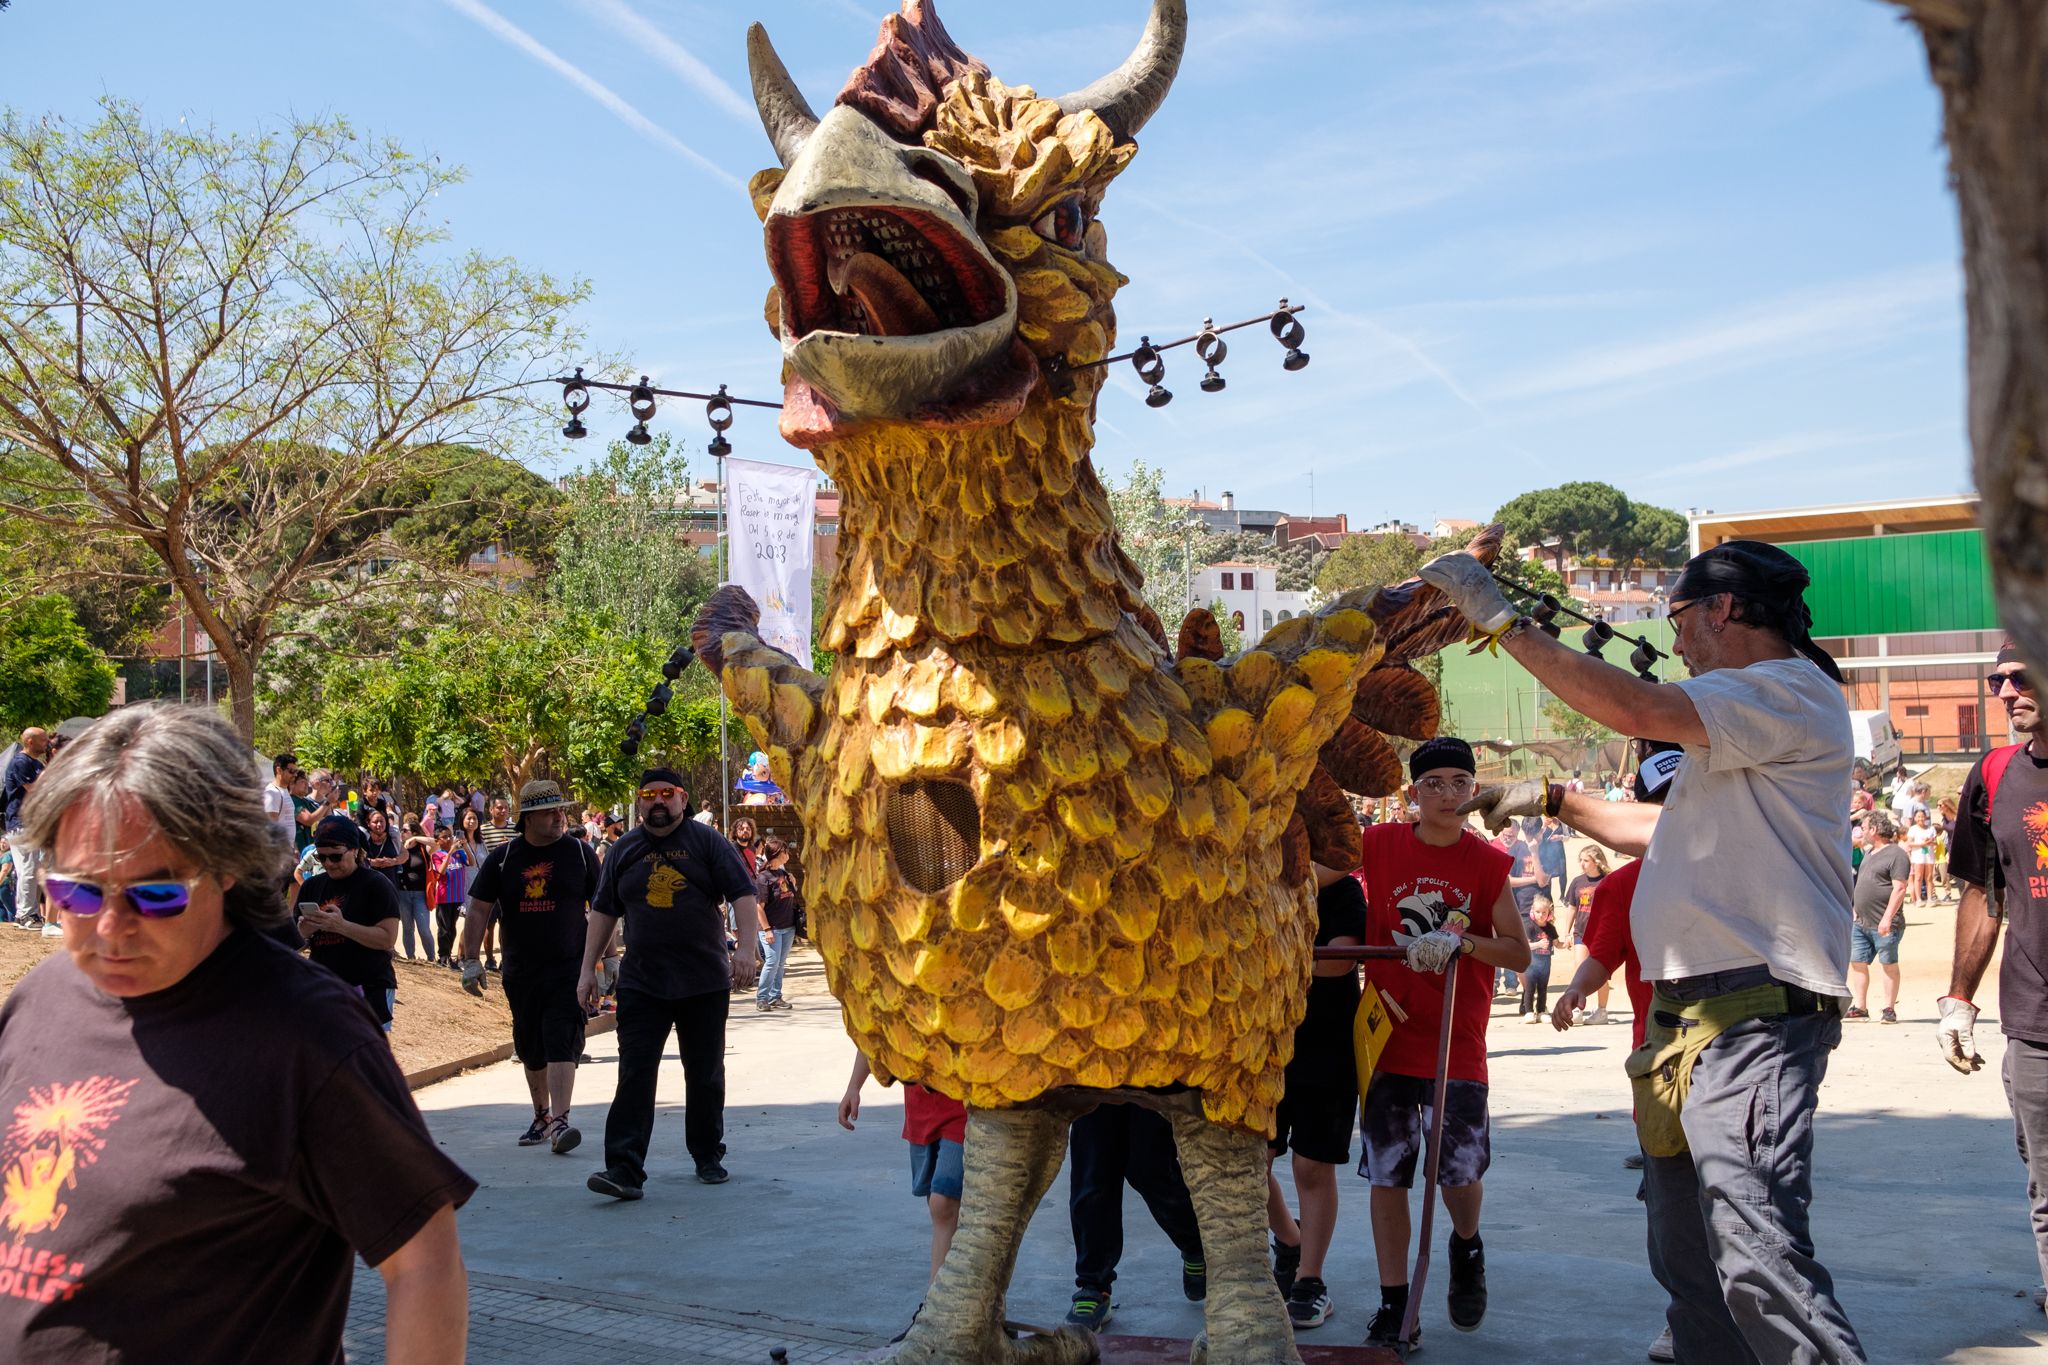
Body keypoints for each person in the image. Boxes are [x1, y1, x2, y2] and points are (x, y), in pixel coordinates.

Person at [1425, 538, 1868, 1364]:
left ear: (1723, 608)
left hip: (1753, 1017)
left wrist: (1505, 624)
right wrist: (1556, 798)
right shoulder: (1745, 715)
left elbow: (1635, 709)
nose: (1677, 643)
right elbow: (1659, 831)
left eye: (1678, 620)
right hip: (1686, 1025)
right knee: (1691, 1262)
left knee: (1757, 1254)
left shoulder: (1784, 689)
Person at [0, 702, 471, 1362]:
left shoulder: (305, 1032)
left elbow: (424, 1260)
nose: (108, 928)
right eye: (77, 893)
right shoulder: (36, 1000)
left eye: (153, 895)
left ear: (226, 866)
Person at [1357, 736, 1532, 1349]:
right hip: (1387, 1039)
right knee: (1388, 1177)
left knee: (1457, 1174)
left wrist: (1465, 943)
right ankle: (1393, 1302)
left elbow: (1519, 950)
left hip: (1456, 1043)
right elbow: (1312, 868)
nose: (1450, 794)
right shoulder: (1376, 846)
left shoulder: (1487, 864)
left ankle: (1466, 1246)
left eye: (1462, 782)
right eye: (1435, 783)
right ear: (1413, 792)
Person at [1552, 738, 1685, 1365]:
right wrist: (1576, 990)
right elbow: (1604, 952)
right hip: (1660, 1067)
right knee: (1672, 1202)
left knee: (1742, 1200)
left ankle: (1745, 1318)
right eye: (1660, 805)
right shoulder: (1624, 885)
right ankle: (1686, 1316)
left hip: (1745, 1054)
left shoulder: (1747, 868)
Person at [578, 769, 762, 1200]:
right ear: (639, 801)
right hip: (643, 983)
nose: (658, 802)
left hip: (703, 980)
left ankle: (706, 1153)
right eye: (649, 795)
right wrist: (588, 969)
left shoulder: (707, 842)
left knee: (704, 1073)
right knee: (635, 1073)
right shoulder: (623, 849)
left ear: (683, 798)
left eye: (667, 794)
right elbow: (603, 911)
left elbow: (743, 894)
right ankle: (623, 1169)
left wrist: (745, 950)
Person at [1937, 641, 2048, 1318]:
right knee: (2046, 1183)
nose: (2005, 691)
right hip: (2036, 1022)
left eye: (2021, 675)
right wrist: (1958, 999)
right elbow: (1984, 891)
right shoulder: (1997, 771)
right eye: (1996, 679)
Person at [461, 779, 598, 1157]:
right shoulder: (504, 857)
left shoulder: (581, 854)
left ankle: (561, 1121)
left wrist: (608, 959)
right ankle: (541, 1116)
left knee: (561, 1041)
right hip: (520, 970)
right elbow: (478, 908)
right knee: (530, 1044)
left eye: (562, 810)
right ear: (528, 818)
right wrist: (471, 959)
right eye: (550, 812)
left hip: (570, 967)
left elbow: (603, 910)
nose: (560, 817)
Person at [1267, 864, 1368, 1329]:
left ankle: (1310, 1279)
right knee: (1248, 1162)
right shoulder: (1257, 883)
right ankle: (1289, 1240)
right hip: (1262, 1044)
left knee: (1311, 1164)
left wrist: (1267, 958)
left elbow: (1337, 962)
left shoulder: (1344, 892)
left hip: (1325, 1045)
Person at [1062, 1105, 1206, 1332]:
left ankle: (1195, 1243)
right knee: (1093, 1171)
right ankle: (1093, 1284)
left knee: (1150, 1168)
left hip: (1151, 1076)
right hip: (1092, 1077)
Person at [840, 1053, 964, 1285]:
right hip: (920, 1109)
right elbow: (874, 1030)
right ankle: (951, 1296)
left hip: (964, 1106)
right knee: (940, 1208)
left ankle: (937, 1304)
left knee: (944, 1203)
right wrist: (853, 1087)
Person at [297, 814, 403, 1030]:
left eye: (335, 857)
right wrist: (304, 932)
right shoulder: (312, 887)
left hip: (369, 987)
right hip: (325, 988)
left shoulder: (376, 884)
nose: (328, 864)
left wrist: (341, 926)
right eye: (321, 858)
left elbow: (387, 939)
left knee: (362, 1059)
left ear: (355, 850)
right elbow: (295, 942)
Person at [1847, 813, 1908, 1024]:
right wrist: (1855, 909)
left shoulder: (1896, 854)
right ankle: (1860, 1007)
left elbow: (1899, 888)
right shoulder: (1869, 852)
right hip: (1861, 922)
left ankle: (1889, 1008)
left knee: (1888, 963)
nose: (1861, 832)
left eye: (1864, 827)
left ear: (1874, 830)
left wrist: (1887, 918)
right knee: (1857, 962)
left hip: (1885, 923)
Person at [5, 726, 50, 927]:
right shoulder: (21, 762)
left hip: (33, 822)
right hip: (20, 823)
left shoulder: (35, 763)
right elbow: (33, 789)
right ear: (30, 742)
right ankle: (24, 914)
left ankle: (31, 913)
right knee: (28, 868)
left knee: (36, 869)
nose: (46, 743)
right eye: (43, 740)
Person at [1562, 847, 1612, 1024]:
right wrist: (1566, 932)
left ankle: (1602, 1010)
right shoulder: (1577, 882)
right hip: (1581, 932)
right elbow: (1572, 907)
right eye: (1580, 860)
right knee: (1579, 968)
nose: (1582, 864)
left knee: (1601, 972)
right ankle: (1577, 1009)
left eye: (1586, 860)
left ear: (1596, 862)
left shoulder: (1608, 881)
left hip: (1601, 933)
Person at [753, 835, 802, 1012]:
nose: (788, 854)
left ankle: (775, 996)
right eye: (785, 851)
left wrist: (794, 883)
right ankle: (762, 997)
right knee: (772, 962)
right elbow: (759, 906)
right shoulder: (763, 878)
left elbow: (789, 896)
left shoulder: (783, 874)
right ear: (776, 854)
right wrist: (766, 929)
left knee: (780, 963)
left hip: (787, 926)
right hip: (771, 928)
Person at [457, 805, 497, 970]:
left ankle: (467, 956)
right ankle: (460, 956)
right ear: (462, 821)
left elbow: (486, 863)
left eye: (474, 819)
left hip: (479, 883)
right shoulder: (456, 840)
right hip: (464, 883)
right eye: (469, 818)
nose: (472, 821)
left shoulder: (481, 842)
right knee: (468, 921)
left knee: (476, 921)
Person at [427, 824, 470, 968]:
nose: (449, 839)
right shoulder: (437, 855)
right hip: (444, 897)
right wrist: (450, 852)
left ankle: (448, 954)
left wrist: (466, 845)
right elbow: (441, 872)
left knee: (452, 927)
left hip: (457, 897)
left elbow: (471, 862)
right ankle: (443, 956)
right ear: (437, 841)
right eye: (444, 837)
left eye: (450, 836)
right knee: (444, 928)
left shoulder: (459, 853)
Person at [396, 813, 435, 962]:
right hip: (403, 893)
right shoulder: (398, 847)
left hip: (420, 895)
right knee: (407, 928)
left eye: (405, 830)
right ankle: (411, 957)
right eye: (401, 830)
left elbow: (436, 843)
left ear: (413, 832)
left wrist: (416, 838)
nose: (402, 833)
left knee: (424, 929)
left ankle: (432, 958)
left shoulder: (422, 848)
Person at [1519, 895, 1557, 1022]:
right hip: (1531, 963)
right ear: (1532, 912)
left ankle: (1541, 1011)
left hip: (1545, 963)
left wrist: (1566, 943)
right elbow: (1525, 946)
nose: (1541, 915)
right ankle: (1529, 1012)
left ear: (1549, 914)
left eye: (1544, 912)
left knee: (1543, 988)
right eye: (1538, 912)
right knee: (1529, 988)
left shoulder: (1551, 928)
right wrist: (1539, 944)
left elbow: (1557, 943)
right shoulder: (1529, 926)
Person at [262, 752, 301, 851]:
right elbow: (270, 826)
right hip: (279, 853)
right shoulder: (273, 793)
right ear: (279, 770)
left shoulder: (283, 790)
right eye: (291, 771)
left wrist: (294, 848)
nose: (295, 775)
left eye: (296, 771)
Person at [1904, 807, 1938, 906]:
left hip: (1929, 855)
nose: (1920, 819)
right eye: (1918, 817)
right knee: (1918, 877)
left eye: (1922, 816)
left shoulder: (1931, 828)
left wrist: (1930, 842)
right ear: (1914, 818)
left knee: (1929, 877)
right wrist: (1922, 843)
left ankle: (1930, 898)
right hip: (1918, 856)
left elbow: (1935, 843)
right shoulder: (1912, 829)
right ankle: (1918, 899)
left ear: (1925, 817)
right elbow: (1910, 843)